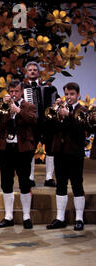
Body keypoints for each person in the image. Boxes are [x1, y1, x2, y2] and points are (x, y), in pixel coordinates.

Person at [0, 80, 37, 229]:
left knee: (24, 182)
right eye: (11, 92)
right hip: (6, 148)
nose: (13, 94)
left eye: (16, 91)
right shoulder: (4, 105)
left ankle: (26, 216)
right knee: (6, 182)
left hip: (23, 149)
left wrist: (18, 111)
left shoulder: (28, 106)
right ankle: (8, 216)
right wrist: (1, 106)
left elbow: (33, 120)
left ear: (21, 91)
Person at [46, 82, 89, 231]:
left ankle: (79, 219)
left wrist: (68, 115)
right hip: (59, 152)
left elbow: (81, 129)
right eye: (67, 94)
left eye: (72, 94)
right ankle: (60, 218)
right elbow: (51, 128)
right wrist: (55, 111)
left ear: (78, 95)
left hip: (75, 153)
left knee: (77, 185)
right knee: (61, 185)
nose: (69, 97)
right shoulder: (60, 109)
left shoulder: (82, 110)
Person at [24, 61, 58, 187]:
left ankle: (49, 178)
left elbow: (55, 100)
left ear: (38, 73)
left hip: (47, 123)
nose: (32, 71)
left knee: (50, 149)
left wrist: (56, 102)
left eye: (35, 69)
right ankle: (30, 177)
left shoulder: (49, 87)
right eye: (30, 70)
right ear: (26, 73)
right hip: (32, 124)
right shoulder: (24, 89)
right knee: (30, 150)